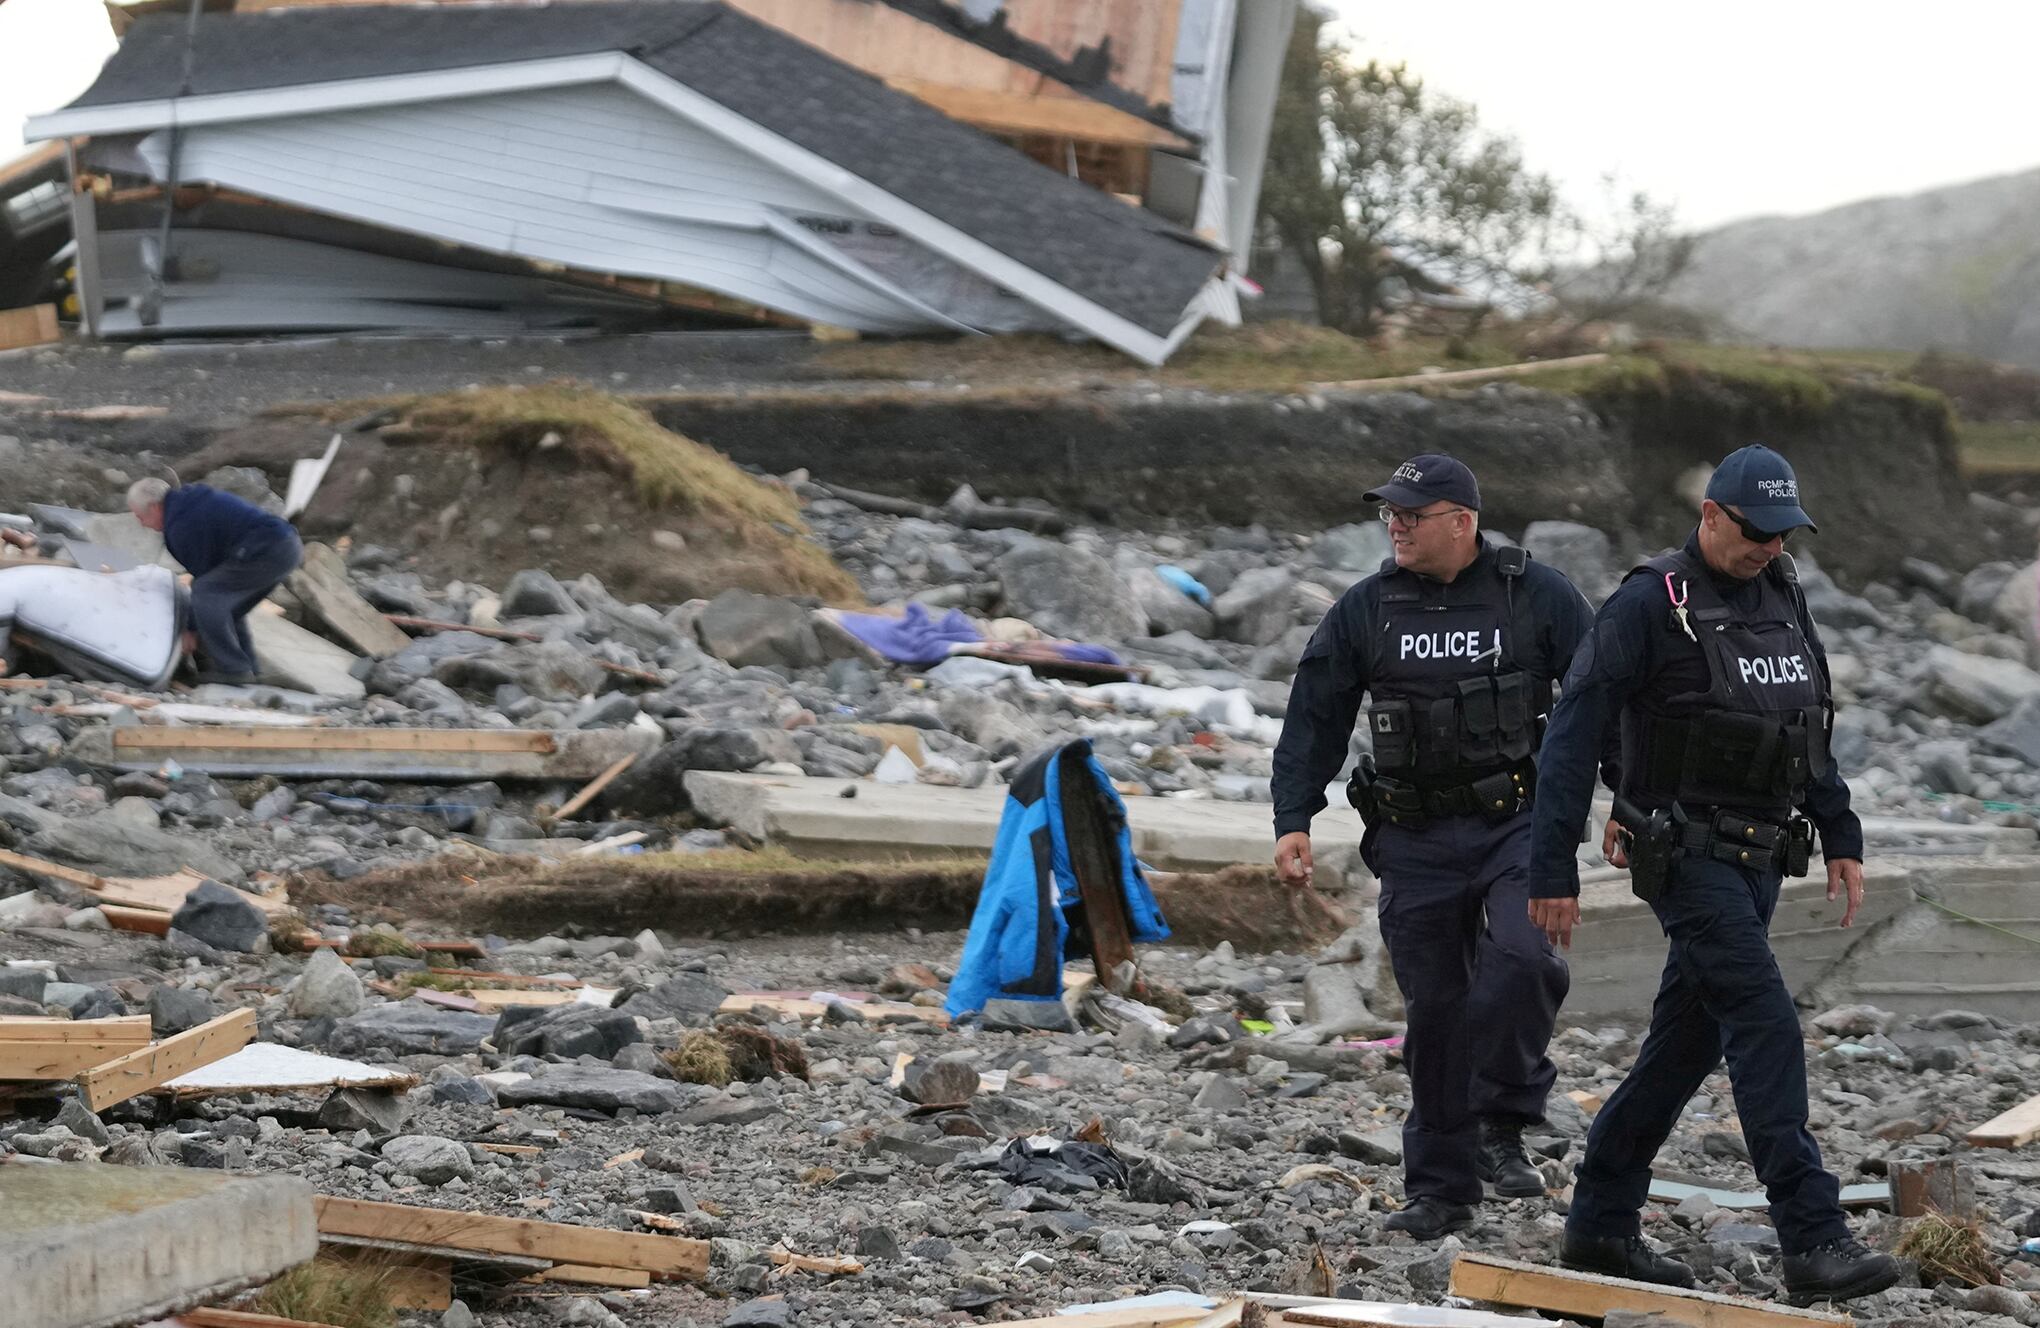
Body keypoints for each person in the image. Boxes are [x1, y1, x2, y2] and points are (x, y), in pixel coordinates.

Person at [1526, 445, 1901, 1304]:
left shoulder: (1782, 588)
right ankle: (1812, 1237)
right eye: (1754, 532)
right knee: (1765, 1021)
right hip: (1686, 855)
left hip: (1765, 851)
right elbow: (1574, 734)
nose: (1769, 546)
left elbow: (1805, 723)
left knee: (1682, 1047)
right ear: (1710, 515)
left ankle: (1599, 1225)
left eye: (1783, 533)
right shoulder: (1647, 602)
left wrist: (1840, 829)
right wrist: (1553, 868)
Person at [1272, 454, 1595, 1241]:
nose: (1396, 526)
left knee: (1524, 961)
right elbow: (1315, 710)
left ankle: (1504, 1117)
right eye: (1390, 514)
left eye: (1412, 515)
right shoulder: (1368, 607)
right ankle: (1442, 1190)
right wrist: (1293, 818)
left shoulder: (1536, 595)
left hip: (1516, 821)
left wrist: (1627, 800)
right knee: (1438, 1010)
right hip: (1413, 835)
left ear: (1463, 521)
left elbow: (1599, 702)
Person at [126, 477, 303, 685]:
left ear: (155, 507)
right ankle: (250, 672)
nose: (141, 524)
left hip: (267, 548)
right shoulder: (188, 503)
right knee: (229, 607)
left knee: (207, 593)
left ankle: (233, 670)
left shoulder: (179, 525)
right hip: (287, 546)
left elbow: (203, 579)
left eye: (140, 517)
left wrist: (190, 628)